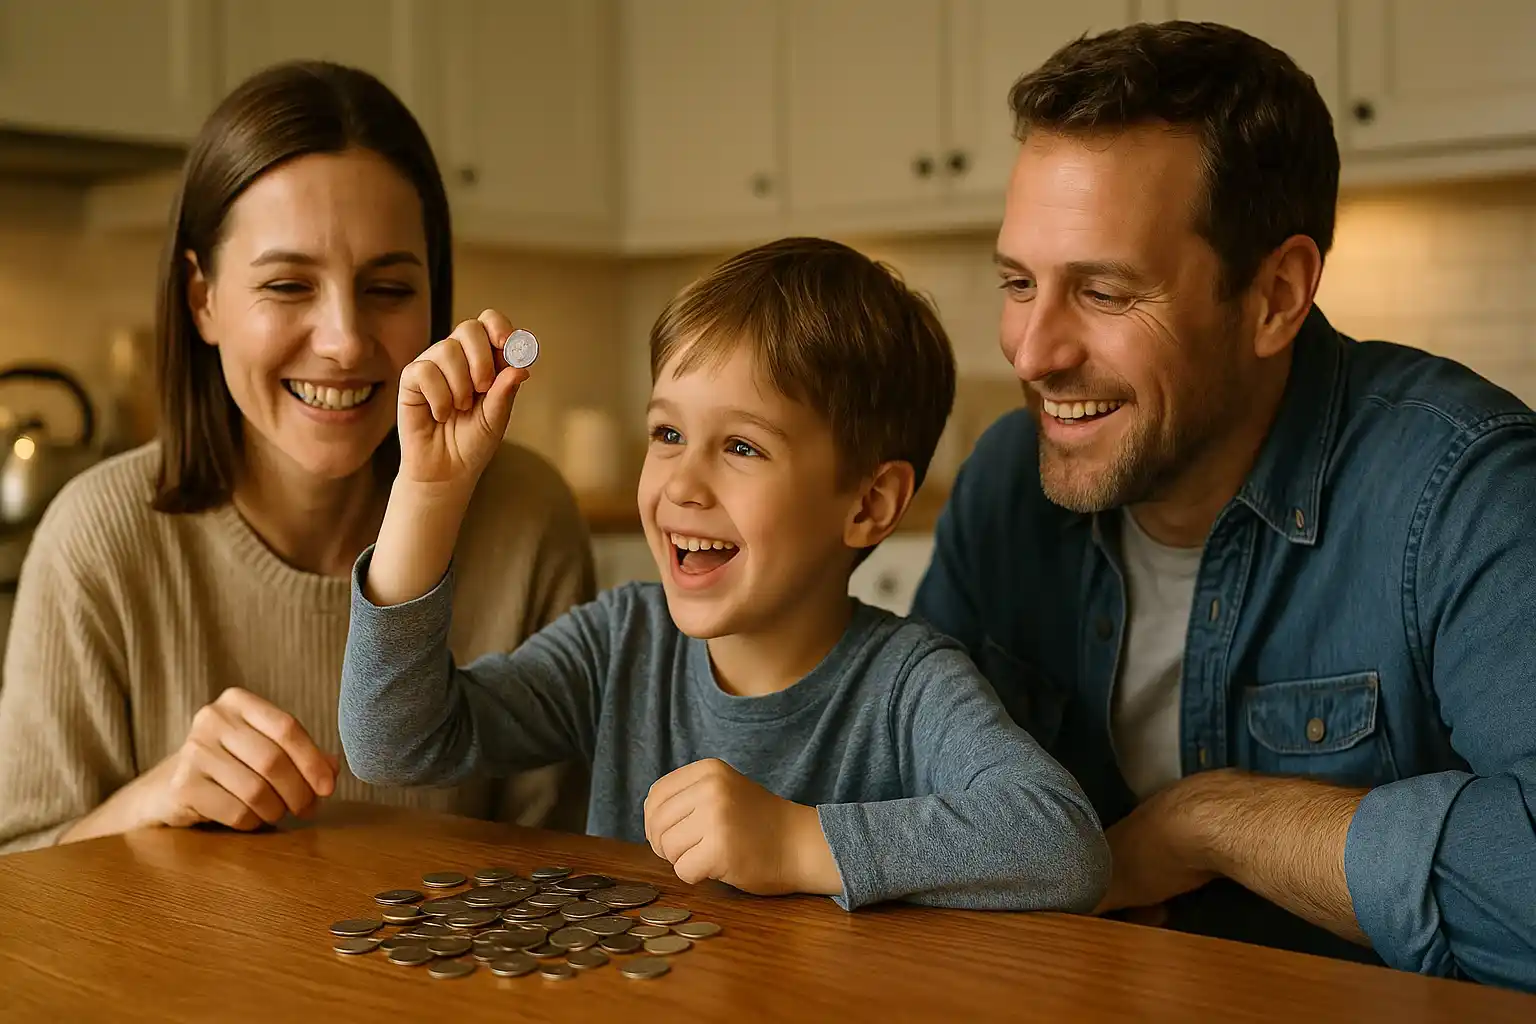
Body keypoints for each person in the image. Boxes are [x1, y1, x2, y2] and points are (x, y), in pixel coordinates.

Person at [911, 20, 1536, 990]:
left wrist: (1212, 821)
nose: (1032, 354)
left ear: (1275, 295)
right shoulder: (1005, 486)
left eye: (1104, 292)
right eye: (1018, 283)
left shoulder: (1462, 492)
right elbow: (902, 793)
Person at [338, 238, 1111, 910]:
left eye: (741, 447)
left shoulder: (909, 685)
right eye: (667, 432)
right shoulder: (620, 644)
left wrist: (798, 843)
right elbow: (397, 746)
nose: (681, 484)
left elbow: (1063, 845)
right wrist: (429, 496)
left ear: (870, 504)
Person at [0, 61, 594, 854]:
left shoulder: (527, 519)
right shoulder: (97, 538)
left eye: (388, 289)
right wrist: (153, 801)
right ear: (202, 298)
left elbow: (567, 869)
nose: (346, 341)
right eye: (287, 285)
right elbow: (21, 886)